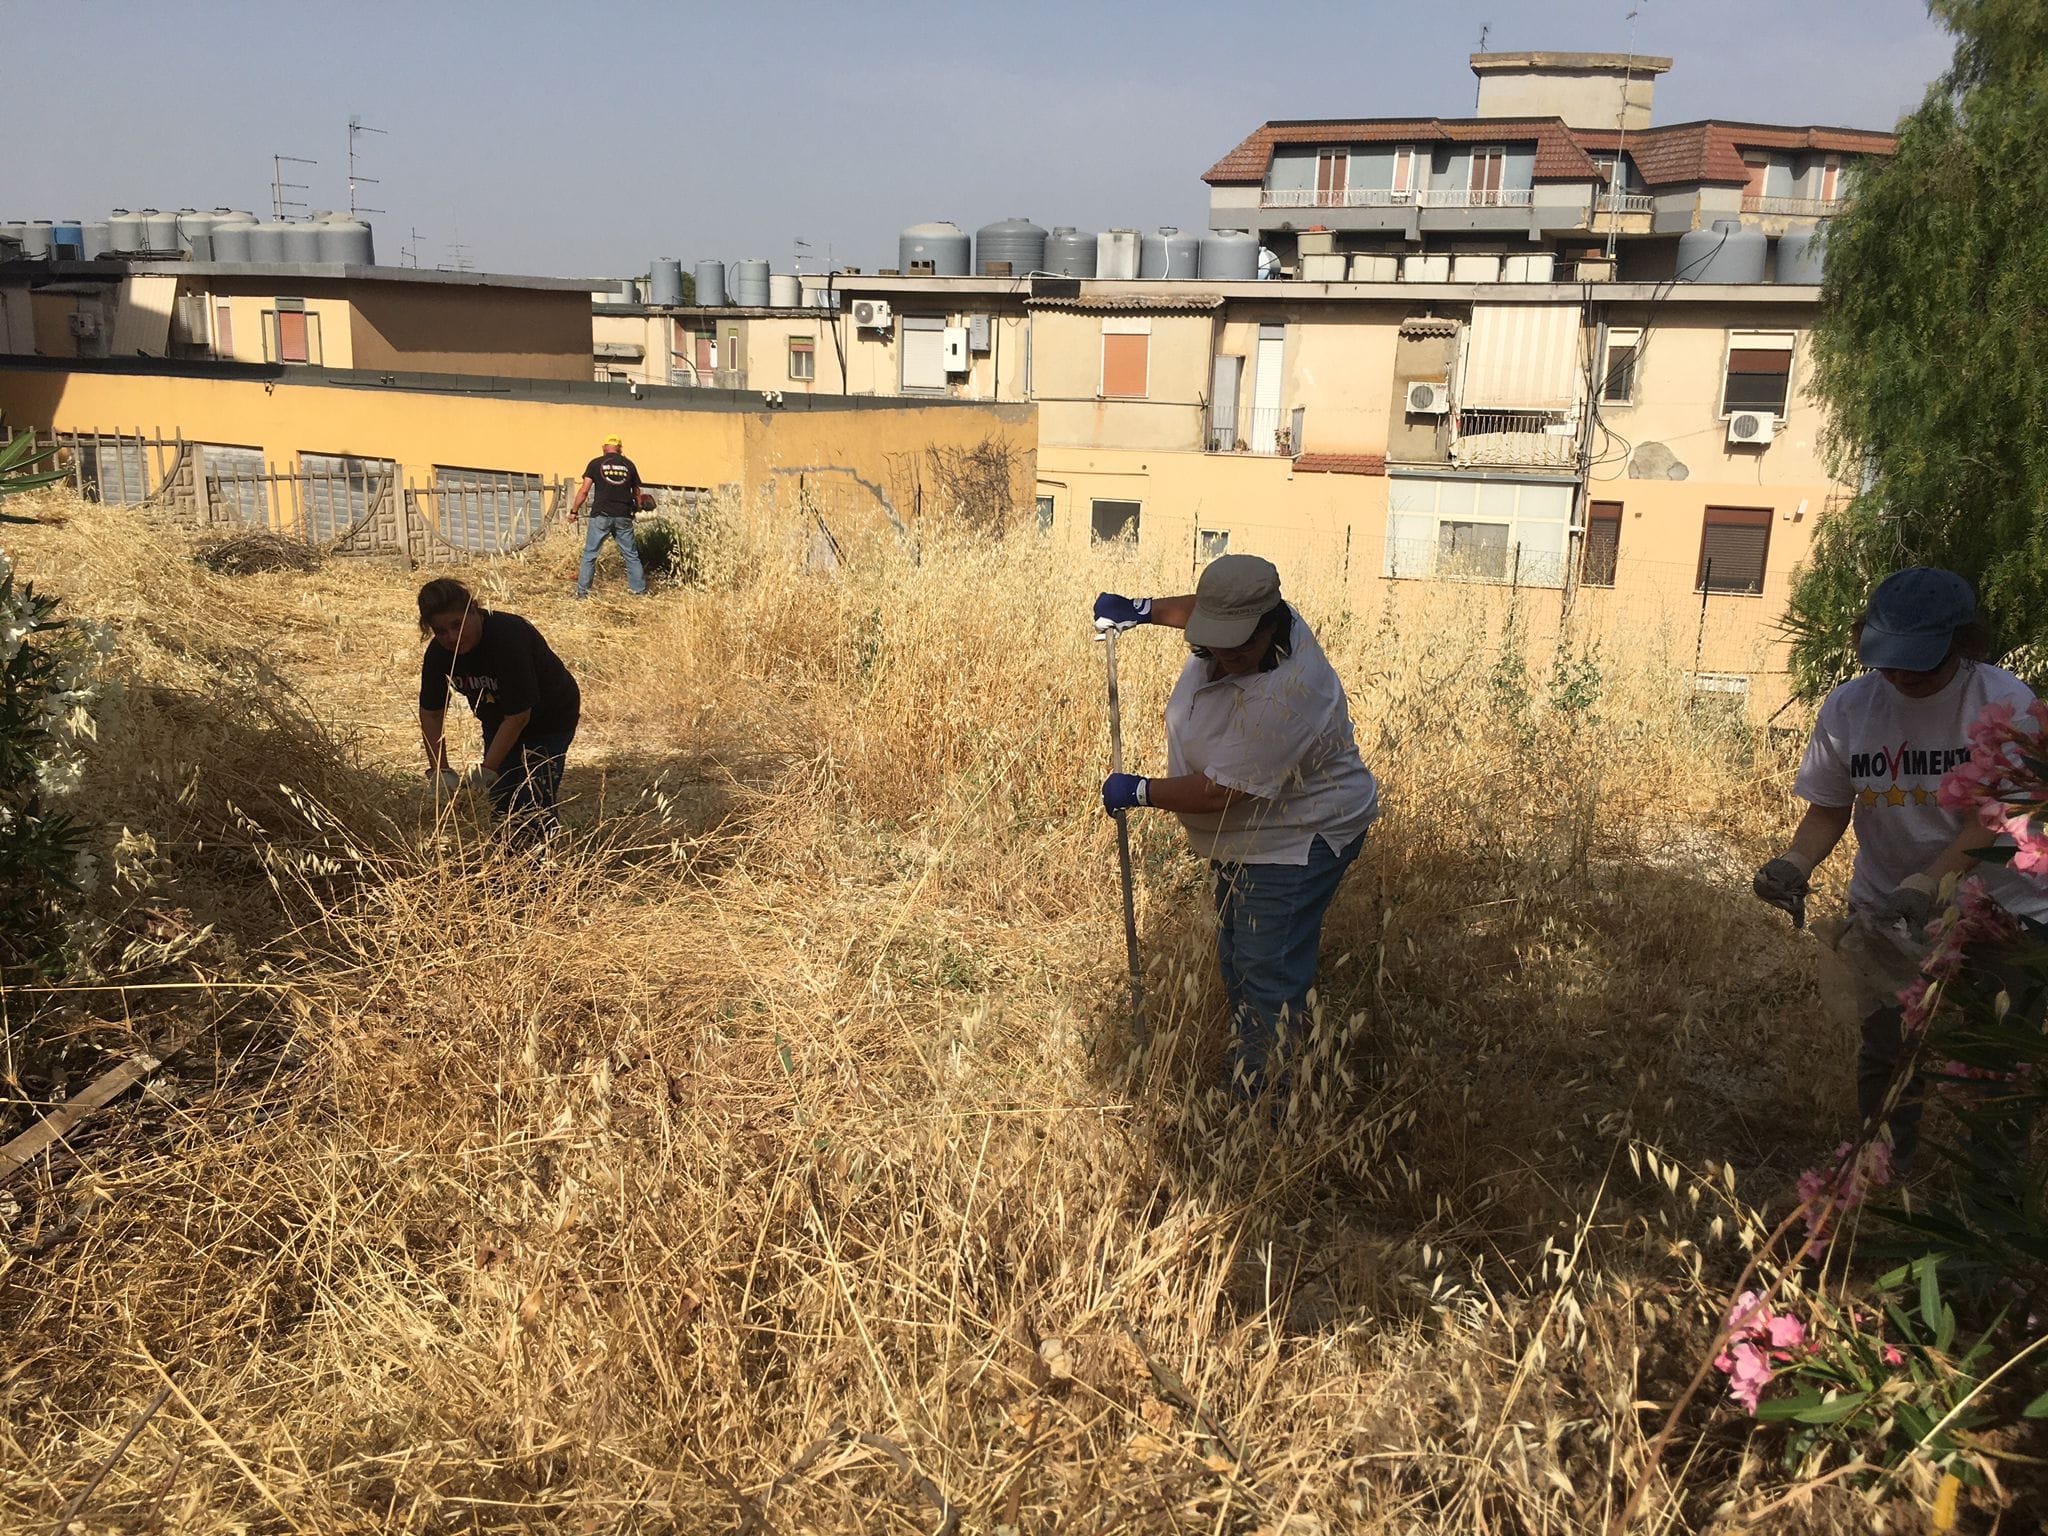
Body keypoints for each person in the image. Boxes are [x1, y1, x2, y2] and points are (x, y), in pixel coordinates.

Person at [1753, 566, 2047, 1168]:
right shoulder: (1851, 706)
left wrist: (1925, 884)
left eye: (1922, 661)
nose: (1903, 675)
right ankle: (1885, 1175)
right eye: (1890, 660)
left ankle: (1990, 1197)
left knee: (1995, 1061)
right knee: (1888, 1052)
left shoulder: (2006, 702)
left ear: (1964, 645)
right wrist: (1794, 860)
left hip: (2004, 910)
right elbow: (1830, 807)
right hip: (1888, 911)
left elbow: (1988, 822)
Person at [1095, 555, 1380, 1097]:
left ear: (1269, 626)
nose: (1224, 657)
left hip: (1298, 839)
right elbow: (1210, 608)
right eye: (1214, 642)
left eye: (1238, 647)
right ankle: (1253, 1072)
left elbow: (1218, 791)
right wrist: (1143, 610)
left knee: (1264, 969)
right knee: (1238, 954)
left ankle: (1263, 1106)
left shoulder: (1291, 693)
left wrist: (1141, 791)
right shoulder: (1246, 620)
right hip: (1250, 836)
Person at [417, 577, 581, 839]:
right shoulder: (439, 654)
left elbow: (518, 716)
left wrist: (487, 770)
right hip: (497, 719)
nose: (452, 637)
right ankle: (506, 862)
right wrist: (440, 770)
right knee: (501, 798)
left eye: (457, 624)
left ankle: (543, 866)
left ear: (475, 611)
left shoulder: (507, 637)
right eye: (440, 630)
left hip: (549, 717)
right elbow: (431, 712)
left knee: (532, 797)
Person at [568, 433, 647, 599]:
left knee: (590, 554)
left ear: (604, 448)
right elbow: (637, 492)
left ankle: (582, 594)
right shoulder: (629, 465)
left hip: (601, 515)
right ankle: (639, 592)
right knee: (631, 554)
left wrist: (574, 511)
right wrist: (638, 508)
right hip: (623, 515)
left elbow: (584, 490)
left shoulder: (596, 464)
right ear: (620, 448)